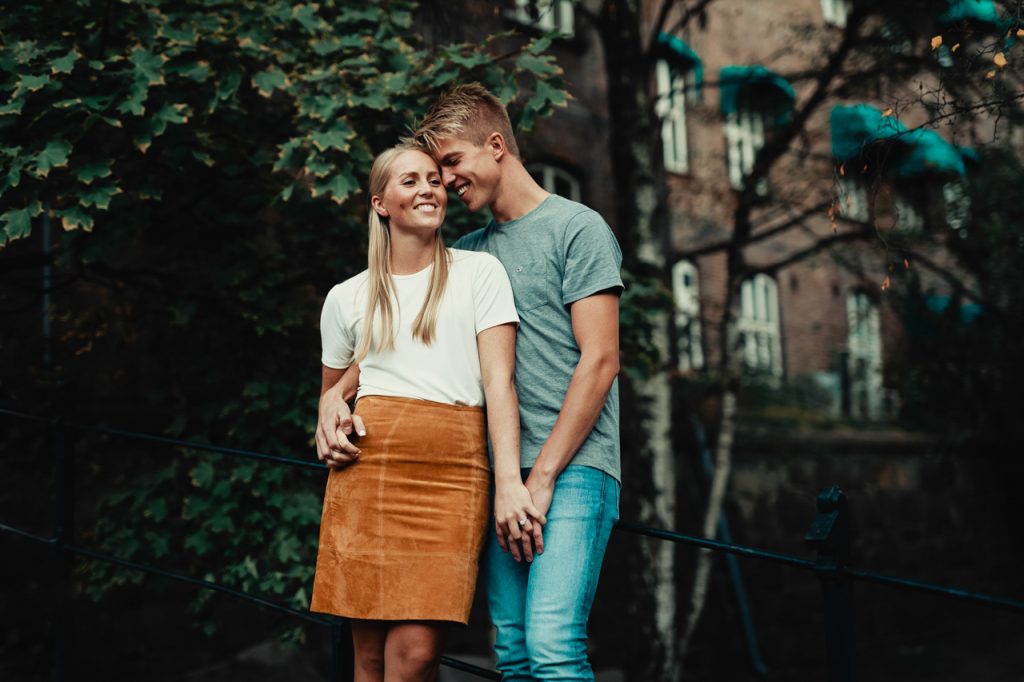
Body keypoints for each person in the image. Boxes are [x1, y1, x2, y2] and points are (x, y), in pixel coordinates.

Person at [318, 83, 624, 681]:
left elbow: (601, 363)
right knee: (510, 652)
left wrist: (538, 478)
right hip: (490, 470)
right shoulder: (467, 252)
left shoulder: (577, 228)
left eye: (452, 163)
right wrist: (337, 392)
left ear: (496, 145)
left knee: (555, 644)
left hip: (573, 467)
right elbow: (396, 336)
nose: (447, 181)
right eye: (435, 171)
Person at [310, 144, 543, 682]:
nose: (428, 189)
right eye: (410, 181)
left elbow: (499, 384)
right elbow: (333, 397)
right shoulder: (346, 297)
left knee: (414, 657)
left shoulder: (479, 273)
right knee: (367, 661)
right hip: (367, 476)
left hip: (453, 478)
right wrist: (328, 410)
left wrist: (508, 481)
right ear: (381, 204)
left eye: (434, 180)